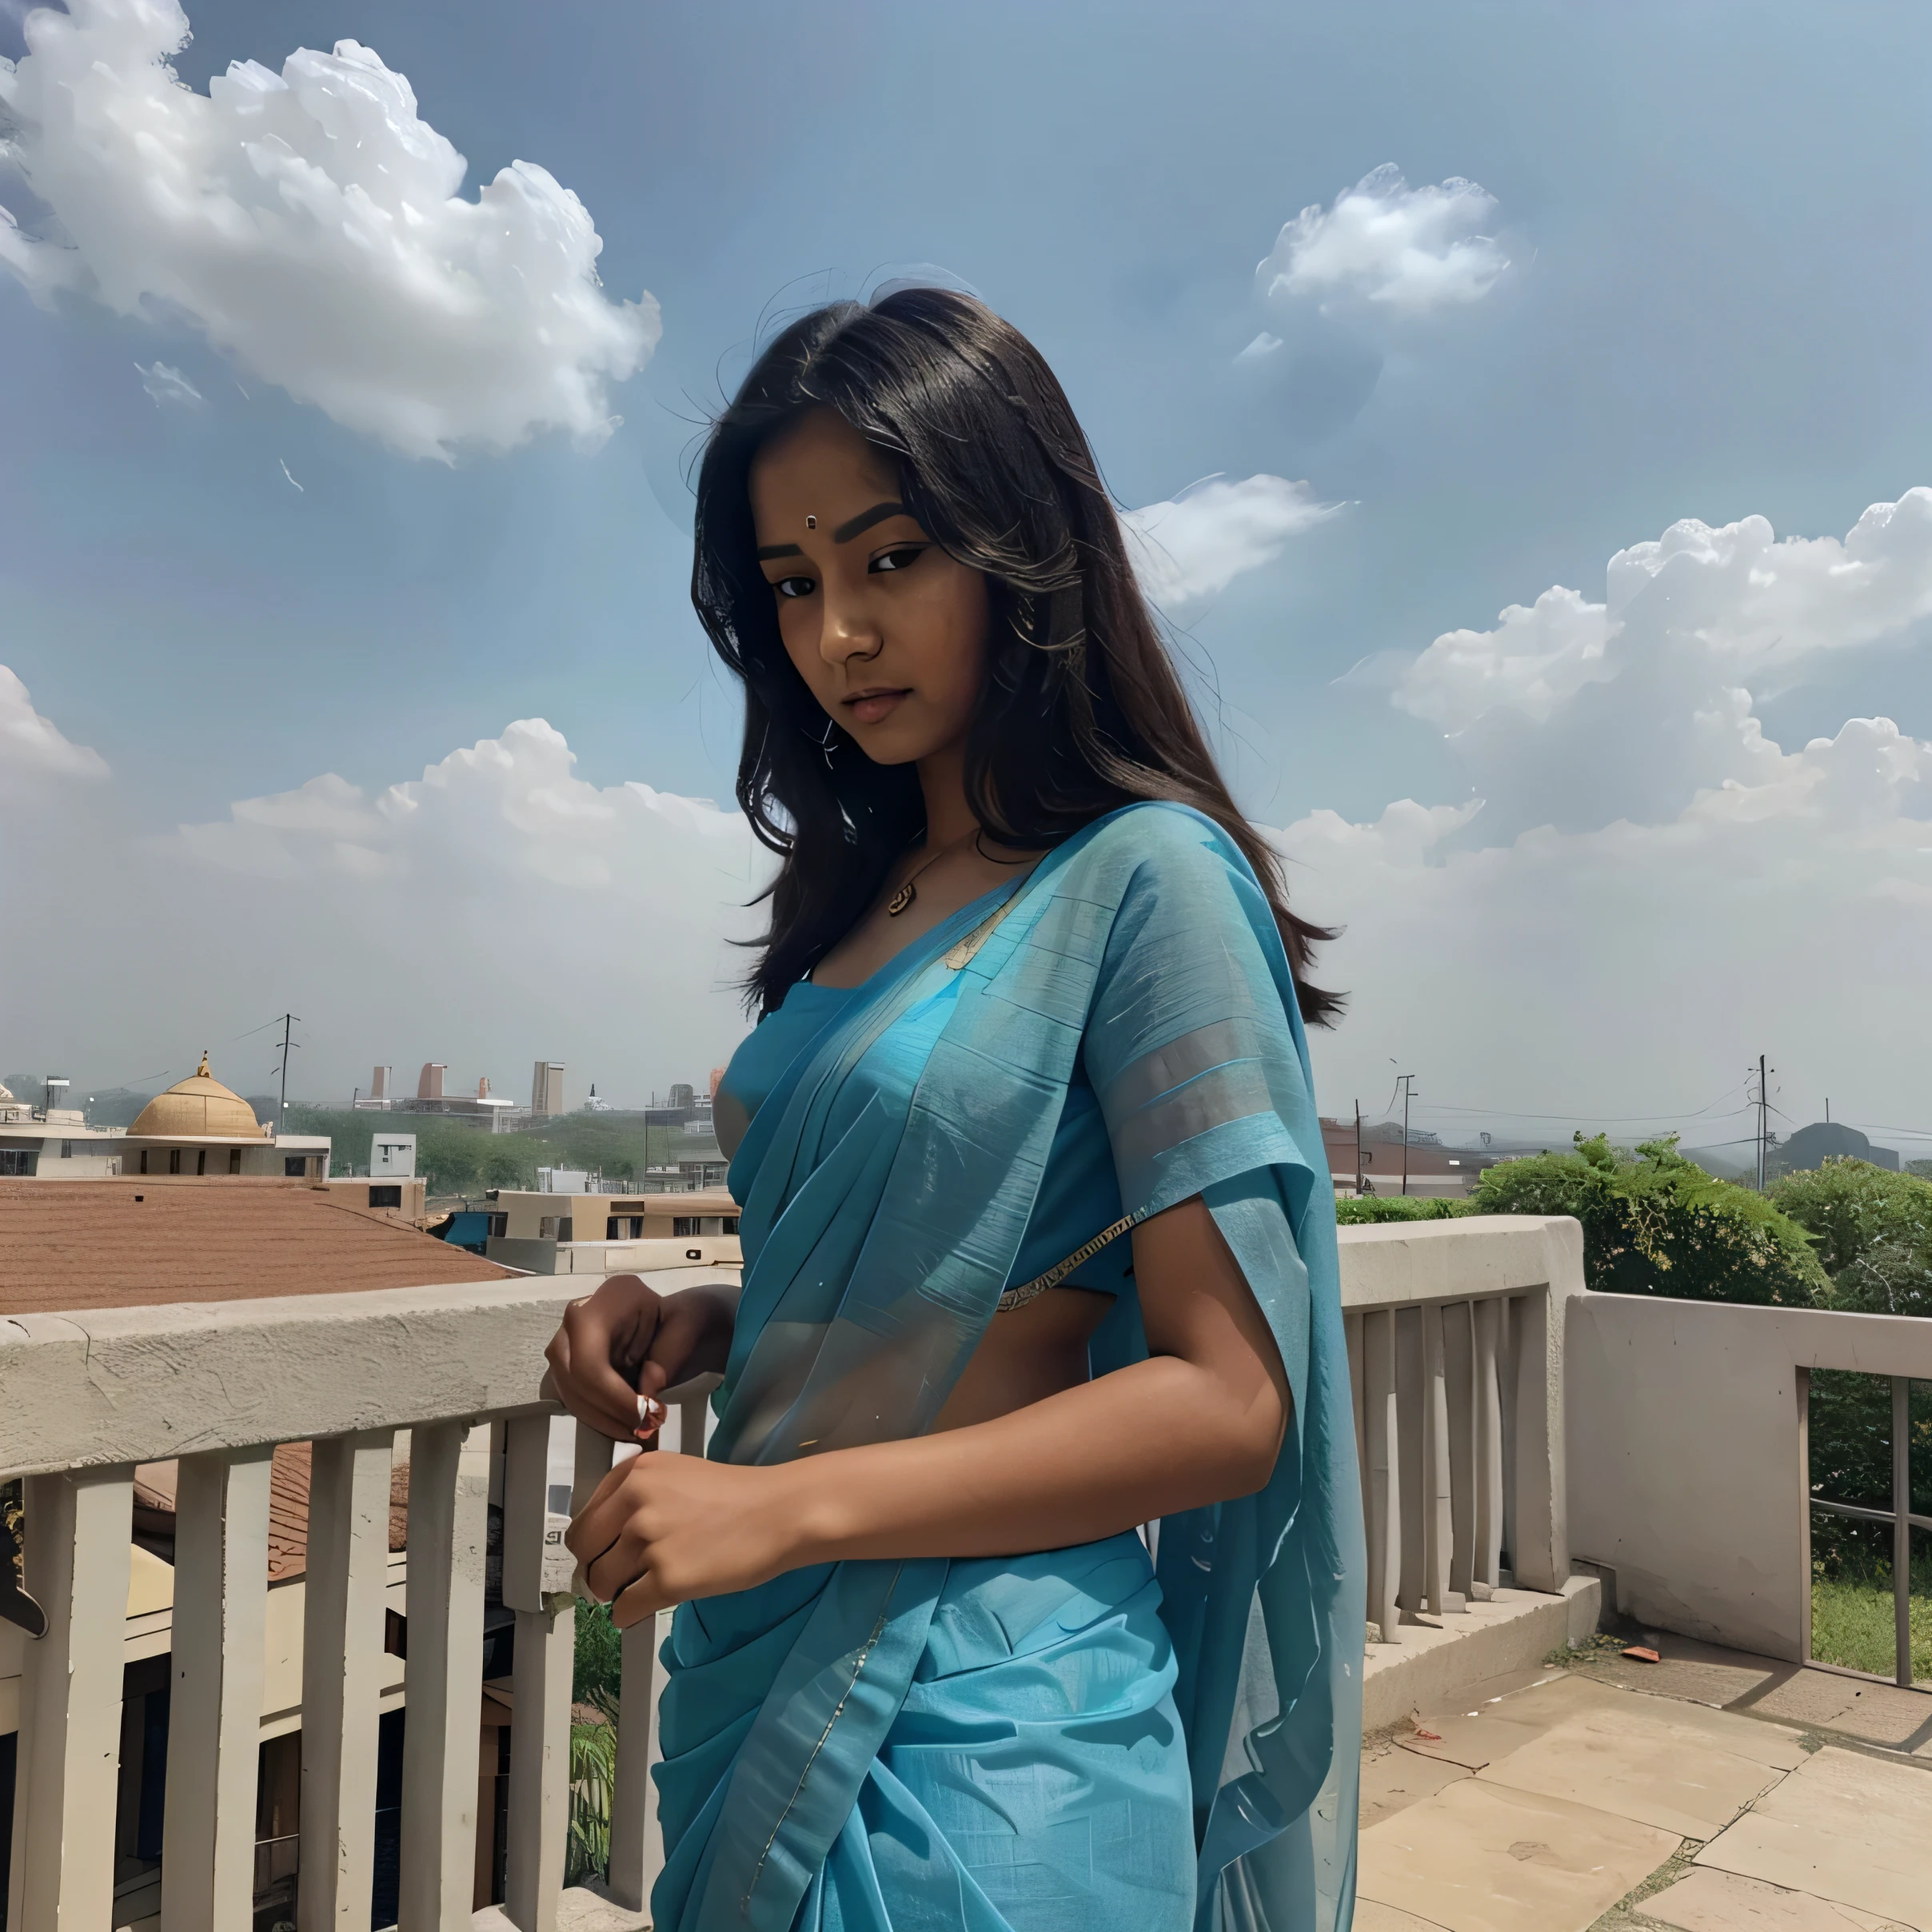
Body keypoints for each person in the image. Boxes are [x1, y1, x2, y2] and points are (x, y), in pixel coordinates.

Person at [545, 288, 1363, 1932]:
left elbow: (1224, 1401)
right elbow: (936, 1254)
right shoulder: (856, 896)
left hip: (992, 1730)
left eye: (890, 555)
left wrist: (780, 1505)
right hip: (754, 1667)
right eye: (792, 583)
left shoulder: (1148, 880)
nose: (837, 629)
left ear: (1022, 544)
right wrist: (711, 1311)